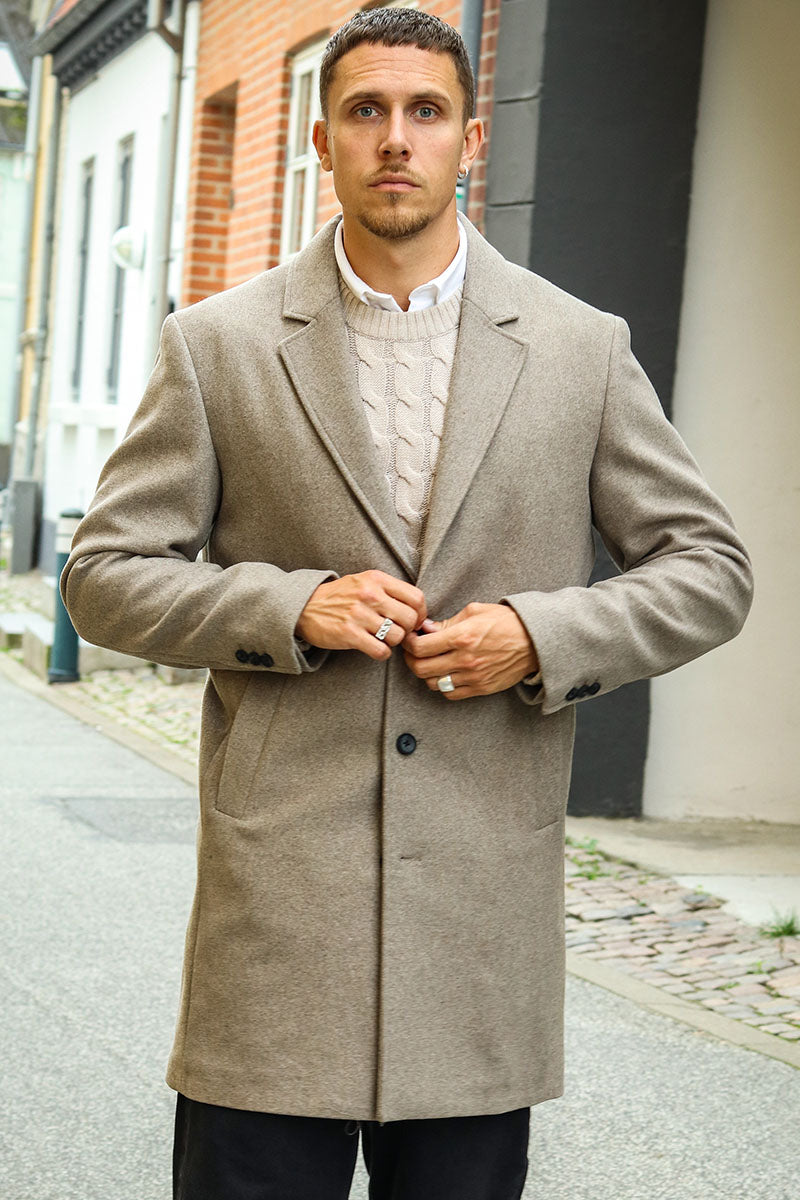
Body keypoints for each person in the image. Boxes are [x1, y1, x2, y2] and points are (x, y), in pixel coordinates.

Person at [61, 8, 753, 1199]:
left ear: (468, 139)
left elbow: (707, 569)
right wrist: (289, 608)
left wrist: (538, 634)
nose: (395, 138)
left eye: (425, 111)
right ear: (322, 140)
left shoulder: (578, 348)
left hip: (477, 930)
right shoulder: (217, 347)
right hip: (276, 928)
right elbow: (104, 575)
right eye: (365, 111)